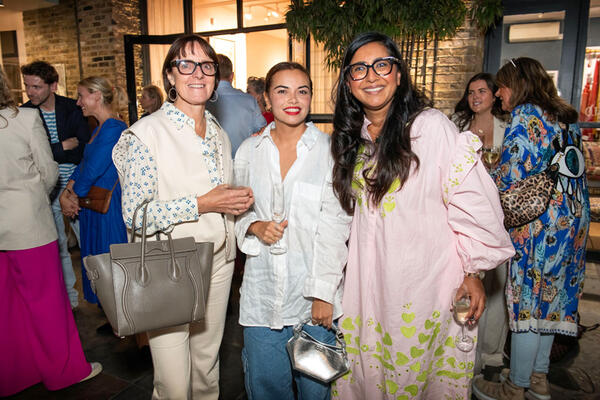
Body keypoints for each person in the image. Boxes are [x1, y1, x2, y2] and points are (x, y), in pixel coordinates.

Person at [329, 32, 515, 399]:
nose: (371, 76)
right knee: (370, 378)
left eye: (382, 65)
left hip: (424, 288)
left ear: (399, 74)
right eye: (359, 69)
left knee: (415, 377)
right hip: (368, 288)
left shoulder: (430, 128)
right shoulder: (353, 139)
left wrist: (474, 272)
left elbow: (475, 202)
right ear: (349, 84)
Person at [112, 34, 253, 400]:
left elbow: (218, 197)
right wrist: (202, 204)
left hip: (219, 261)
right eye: (185, 64)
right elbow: (137, 216)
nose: (198, 73)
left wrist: (234, 206)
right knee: (173, 382)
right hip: (170, 265)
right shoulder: (146, 134)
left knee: (206, 368)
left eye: (206, 65)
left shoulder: (219, 133)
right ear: (170, 76)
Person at [472, 57, 590, 400]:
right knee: (551, 301)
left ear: (519, 85)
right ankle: (538, 379)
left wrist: (479, 172)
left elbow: (509, 176)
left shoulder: (526, 117)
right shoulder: (569, 120)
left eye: (503, 85)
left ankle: (516, 385)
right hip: (573, 220)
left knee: (526, 300)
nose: (499, 92)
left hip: (537, 224)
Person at [235, 62, 352, 399]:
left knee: (315, 392)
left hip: (312, 303)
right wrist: (254, 226)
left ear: (312, 97)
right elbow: (236, 212)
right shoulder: (249, 151)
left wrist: (322, 293)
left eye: (302, 90)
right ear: (266, 100)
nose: (293, 99)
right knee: (267, 391)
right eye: (282, 90)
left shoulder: (331, 152)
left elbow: (336, 225)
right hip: (262, 300)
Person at [0, 68, 101, 396]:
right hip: (29, 225)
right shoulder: (23, 120)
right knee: (47, 302)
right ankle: (65, 372)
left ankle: (16, 374)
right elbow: (48, 173)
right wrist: (30, 200)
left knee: (8, 307)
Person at [21, 60, 91, 309]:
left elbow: (82, 149)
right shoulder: (24, 114)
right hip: (45, 189)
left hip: (75, 186)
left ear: (53, 85)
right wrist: (61, 147)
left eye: (37, 86)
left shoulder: (72, 108)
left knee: (87, 243)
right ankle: (71, 300)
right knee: (58, 245)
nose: (30, 92)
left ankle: (101, 297)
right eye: (27, 86)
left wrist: (52, 152)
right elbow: (30, 157)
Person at [453, 73, 510, 376]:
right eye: (471, 91)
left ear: (493, 95)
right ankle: (466, 356)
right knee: (468, 286)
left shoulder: (508, 128)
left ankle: (491, 357)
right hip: (467, 217)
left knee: (498, 288)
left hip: (499, 216)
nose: (476, 97)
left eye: (482, 91)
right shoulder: (456, 128)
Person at [59, 76, 128, 305]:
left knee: (110, 262)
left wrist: (73, 196)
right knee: (100, 262)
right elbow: (84, 165)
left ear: (97, 96)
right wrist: (67, 191)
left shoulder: (114, 128)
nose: (78, 102)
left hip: (107, 208)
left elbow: (94, 169)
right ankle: (113, 315)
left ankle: (124, 318)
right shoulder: (100, 129)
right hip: (93, 205)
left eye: (81, 96)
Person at [206, 54, 266, 156]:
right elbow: (262, 131)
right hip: (243, 163)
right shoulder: (249, 100)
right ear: (232, 76)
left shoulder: (203, 101)